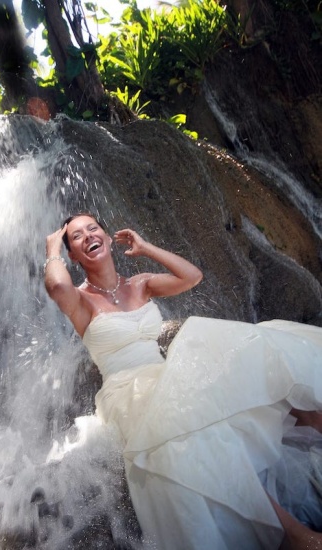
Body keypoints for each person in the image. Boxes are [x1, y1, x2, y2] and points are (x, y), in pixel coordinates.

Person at [45, 212, 322, 550]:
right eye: (76, 237)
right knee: (197, 430)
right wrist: (51, 252)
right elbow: (57, 285)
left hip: (167, 374)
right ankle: (295, 536)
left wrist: (146, 247)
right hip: (126, 391)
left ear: (106, 236)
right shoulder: (80, 300)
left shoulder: (140, 284)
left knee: (264, 355)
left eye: (93, 228)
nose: (88, 235)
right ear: (73, 255)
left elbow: (192, 276)